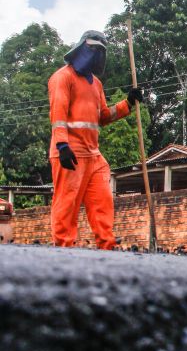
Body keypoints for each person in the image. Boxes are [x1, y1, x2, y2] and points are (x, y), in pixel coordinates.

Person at [48, 30, 143, 249]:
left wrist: (128, 103)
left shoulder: (96, 84)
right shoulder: (62, 77)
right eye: (91, 48)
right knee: (67, 204)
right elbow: (58, 115)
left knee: (103, 202)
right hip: (70, 152)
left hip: (93, 154)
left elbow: (103, 117)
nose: (95, 53)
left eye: (100, 50)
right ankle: (62, 249)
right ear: (81, 47)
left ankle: (106, 246)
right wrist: (62, 145)